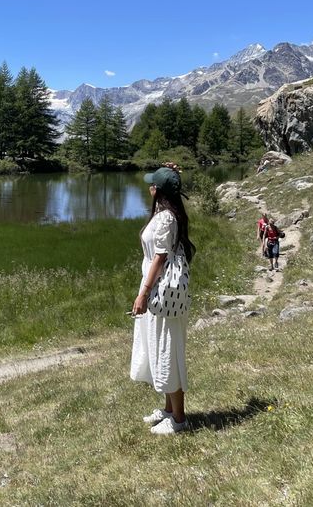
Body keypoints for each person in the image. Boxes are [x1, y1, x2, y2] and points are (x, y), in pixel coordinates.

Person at [130, 163, 196, 435]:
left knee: (167, 348)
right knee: (159, 346)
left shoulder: (166, 217)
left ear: (157, 190)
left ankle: (179, 419)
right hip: (158, 288)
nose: (148, 187)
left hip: (160, 290)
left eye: (152, 184)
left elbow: (160, 256)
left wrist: (143, 293)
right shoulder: (165, 213)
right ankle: (169, 410)